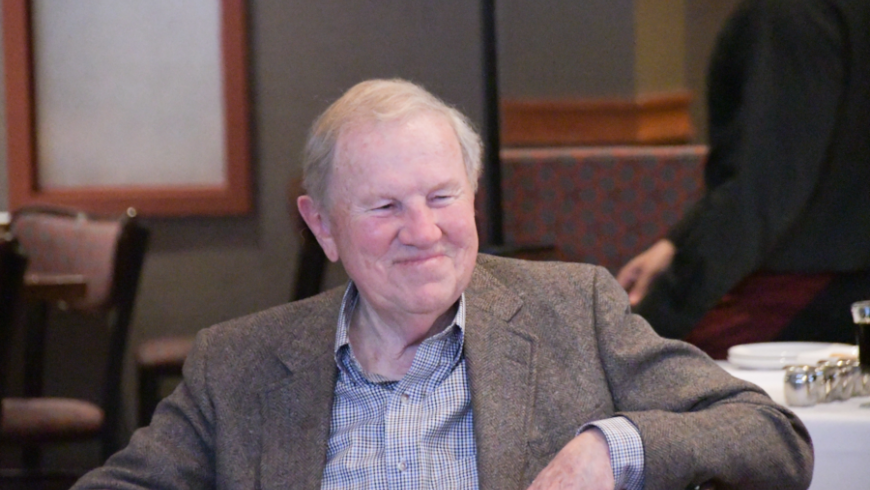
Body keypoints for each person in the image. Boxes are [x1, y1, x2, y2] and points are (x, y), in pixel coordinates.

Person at [72, 79, 812, 490]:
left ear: (475, 197)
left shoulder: (572, 312)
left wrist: (610, 448)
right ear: (323, 226)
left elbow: (774, 437)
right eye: (386, 206)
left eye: (441, 196)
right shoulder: (239, 365)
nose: (423, 232)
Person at [617, 0, 870, 359]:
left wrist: (652, 324)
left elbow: (768, 184)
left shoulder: (792, 14)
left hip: (799, 275)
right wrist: (678, 242)